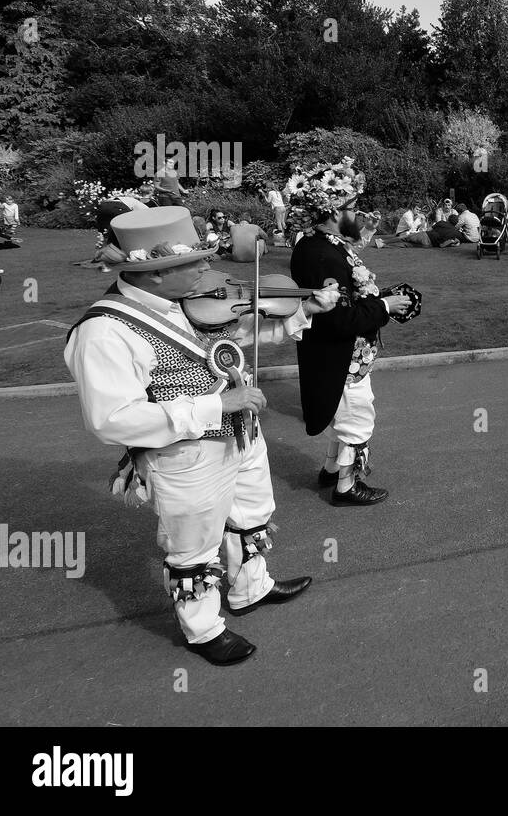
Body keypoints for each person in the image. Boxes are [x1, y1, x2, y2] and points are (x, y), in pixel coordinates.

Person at [63, 206, 339, 665]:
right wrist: (218, 404)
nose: (209, 269)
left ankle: (252, 587)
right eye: (195, 263)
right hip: (184, 453)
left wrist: (305, 307)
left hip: (241, 432)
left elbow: (234, 330)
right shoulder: (104, 331)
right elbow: (110, 419)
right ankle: (203, 628)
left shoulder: (186, 300)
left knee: (252, 511)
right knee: (194, 542)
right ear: (152, 275)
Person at [290, 181, 414, 506]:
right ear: (331, 211)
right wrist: (385, 306)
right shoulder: (322, 256)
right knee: (356, 416)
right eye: (351, 207)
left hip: (344, 357)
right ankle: (347, 486)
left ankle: (332, 469)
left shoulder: (315, 244)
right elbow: (339, 319)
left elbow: (345, 268)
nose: (357, 212)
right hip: (343, 359)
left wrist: (367, 234)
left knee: (342, 414)